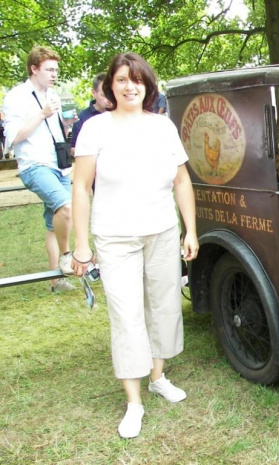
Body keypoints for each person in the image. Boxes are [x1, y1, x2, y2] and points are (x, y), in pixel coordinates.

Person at [71, 52, 199, 439]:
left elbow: (181, 182)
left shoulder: (163, 127)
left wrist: (189, 230)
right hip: (114, 236)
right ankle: (134, 402)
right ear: (111, 84)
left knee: (164, 305)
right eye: (122, 79)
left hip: (161, 231)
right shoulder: (95, 128)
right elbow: (80, 186)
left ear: (148, 86)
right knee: (127, 316)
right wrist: (81, 245)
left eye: (137, 80)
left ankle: (158, 376)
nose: (130, 86)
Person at [2, 46, 76, 292]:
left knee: (53, 224)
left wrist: (65, 125)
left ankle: (57, 281)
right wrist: (42, 114)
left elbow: (55, 133)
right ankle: (67, 255)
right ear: (34, 69)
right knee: (65, 207)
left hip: (60, 165)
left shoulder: (53, 94)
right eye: (49, 69)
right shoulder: (16, 97)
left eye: (56, 69)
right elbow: (14, 137)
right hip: (35, 165)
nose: (54, 74)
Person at [71, 73, 112, 155]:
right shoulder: (83, 118)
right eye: (103, 95)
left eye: (111, 94)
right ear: (94, 93)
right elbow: (73, 148)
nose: (108, 99)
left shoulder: (120, 114)